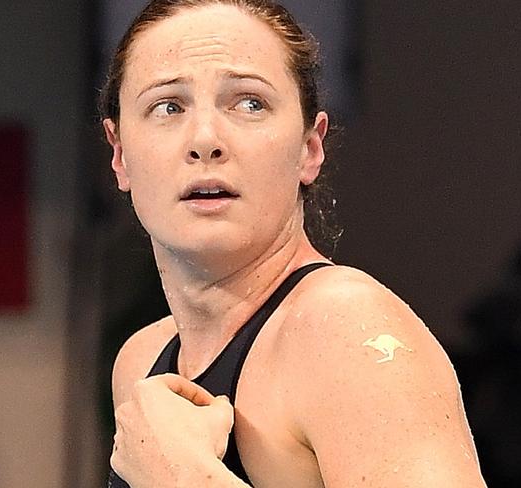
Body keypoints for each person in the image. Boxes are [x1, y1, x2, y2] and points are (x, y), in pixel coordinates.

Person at [100, 0, 487, 486]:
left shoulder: (346, 332)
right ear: (120, 155)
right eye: (168, 106)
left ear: (310, 148)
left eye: (249, 103)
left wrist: (187, 477)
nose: (204, 139)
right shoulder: (142, 359)